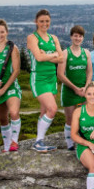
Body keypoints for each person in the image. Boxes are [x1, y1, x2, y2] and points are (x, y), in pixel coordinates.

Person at [27, 9, 64, 153]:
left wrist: (47, 54)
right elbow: (39, 58)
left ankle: (39, 140)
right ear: (36, 22)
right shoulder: (32, 38)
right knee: (52, 109)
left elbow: (61, 58)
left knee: (44, 110)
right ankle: (38, 141)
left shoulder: (53, 37)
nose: (44, 24)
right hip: (39, 78)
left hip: (52, 77)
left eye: (47, 21)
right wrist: (53, 54)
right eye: (41, 21)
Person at [0, 19, 22, 152]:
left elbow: (16, 70)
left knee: (14, 112)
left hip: (10, 86)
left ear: (6, 32)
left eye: (2, 32)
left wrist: (4, 88)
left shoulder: (13, 48)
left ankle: (14, 141)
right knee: (2, 119)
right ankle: (7, 146)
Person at [58, 25, 93, 150]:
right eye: (75, 36)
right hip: (69, 91)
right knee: (70, 119)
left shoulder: (86, 53)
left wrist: (86, 87)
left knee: (83, 118)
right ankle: (70, 144)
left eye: (80, 36)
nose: (77, 38)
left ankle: (83, 141)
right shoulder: (65, 53)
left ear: (83, 38)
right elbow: (60, 75)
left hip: (84, 91)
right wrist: (74, 88)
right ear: (71, 37)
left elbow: (89, 72)